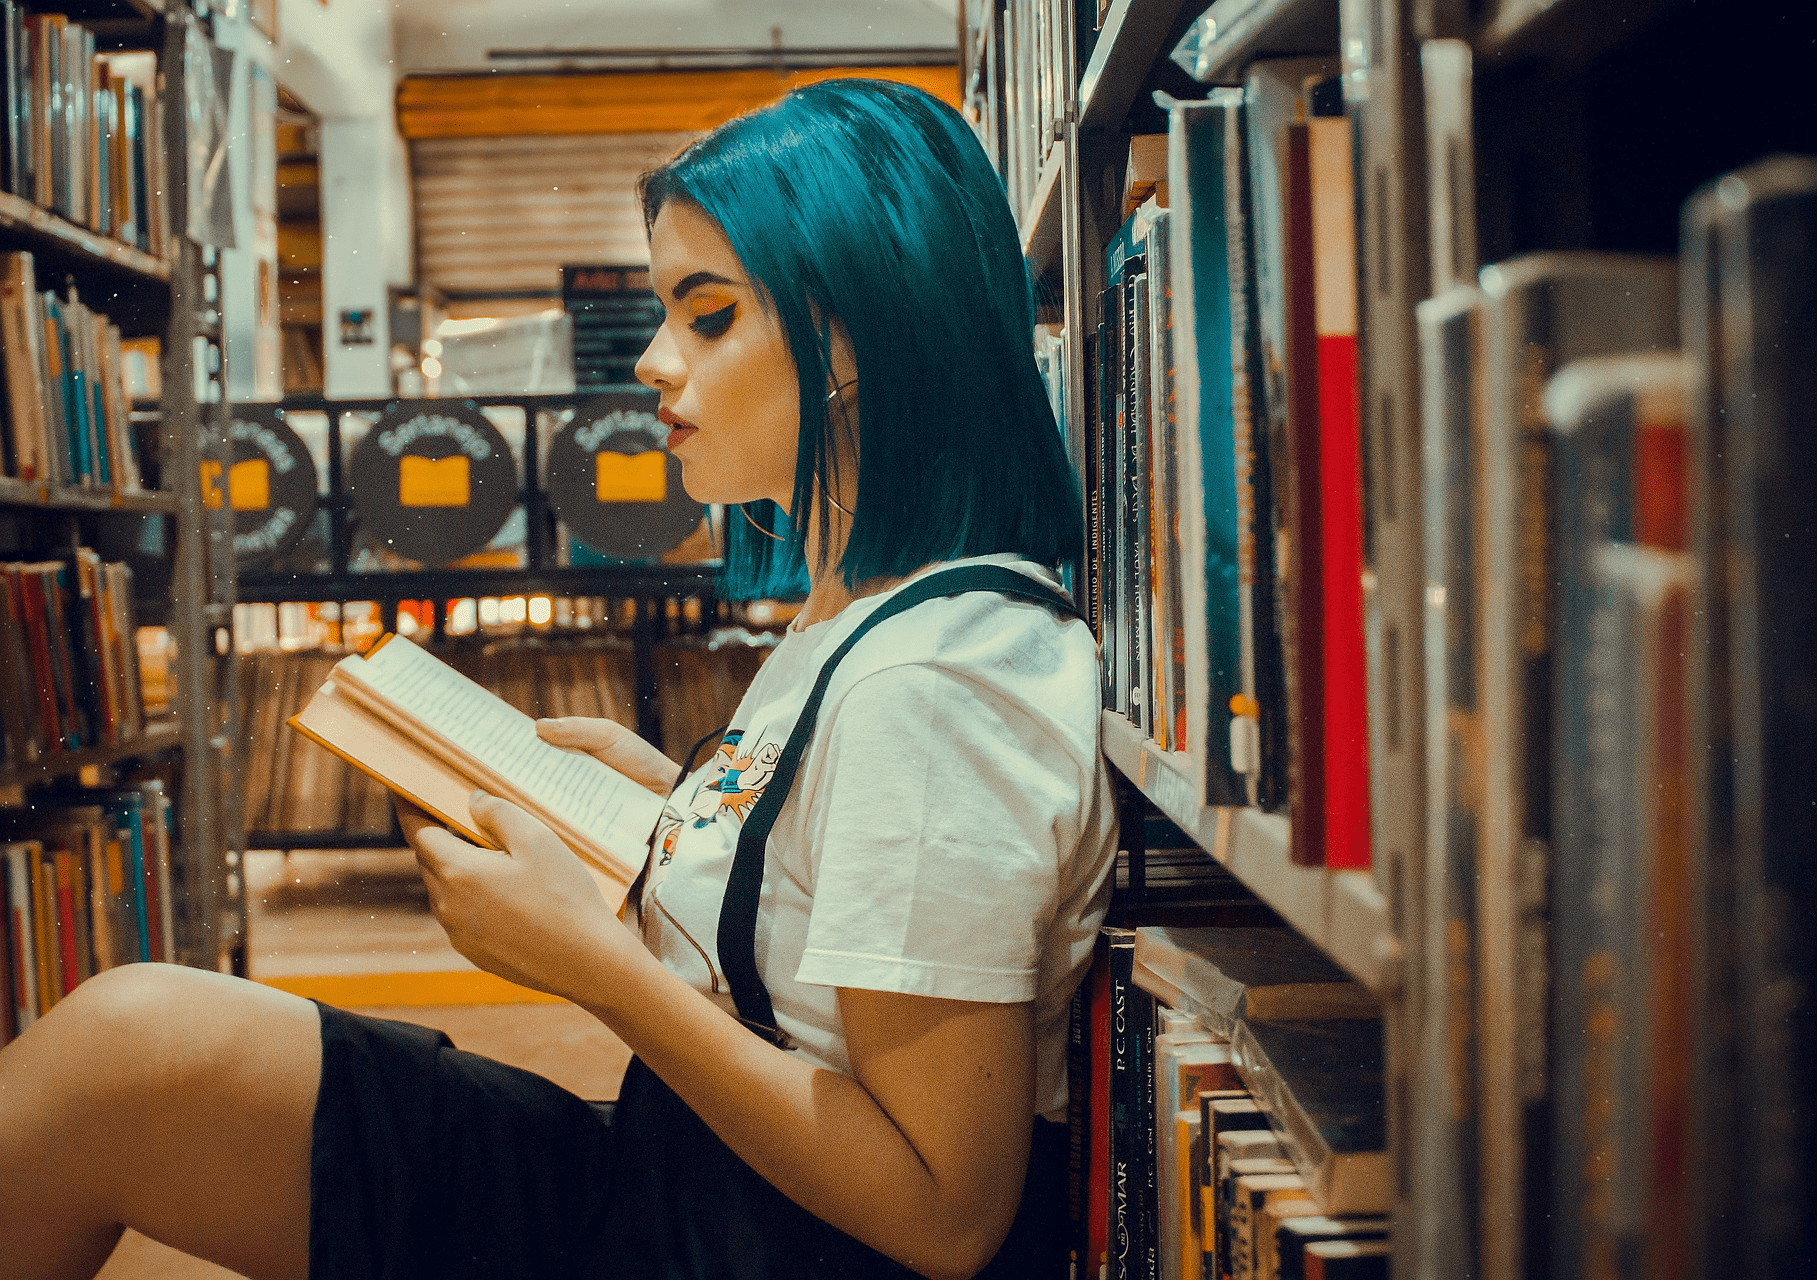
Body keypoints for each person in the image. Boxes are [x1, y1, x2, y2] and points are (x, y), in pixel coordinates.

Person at [0, 78, 1114, 1280]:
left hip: (719, 1236)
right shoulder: (868, 619)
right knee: (131, 1051)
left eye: (709, 316)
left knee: (124, 1058)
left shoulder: (935, 685)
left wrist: (594, 967)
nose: (652, 360)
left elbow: (940, 1213)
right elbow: (824, 926)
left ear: (858, 336)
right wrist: (681, 808)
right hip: (682, 1179)